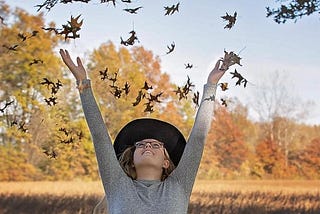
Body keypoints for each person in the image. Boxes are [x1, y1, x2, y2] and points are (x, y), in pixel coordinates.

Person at [59, 49, 228, 214]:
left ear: (166, 163)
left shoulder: (179, 186)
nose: (148, 145)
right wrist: (83, 84)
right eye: (140, 144)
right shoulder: (117, 185)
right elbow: (100, 137)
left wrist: (211, 85)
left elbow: (198, 140)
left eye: (156, 145)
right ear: (132, 160)